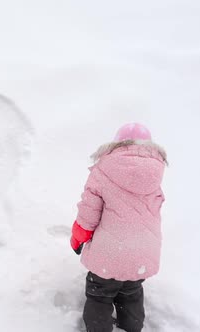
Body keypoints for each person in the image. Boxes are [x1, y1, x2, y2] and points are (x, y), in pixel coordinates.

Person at [69, 123, 167, 332]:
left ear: (116, 143)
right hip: (141, 254)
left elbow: (88, 214)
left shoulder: (103, 170)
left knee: (99, 297)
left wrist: (77, 238)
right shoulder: (155, 175)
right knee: (131, 294)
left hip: (109, 254)